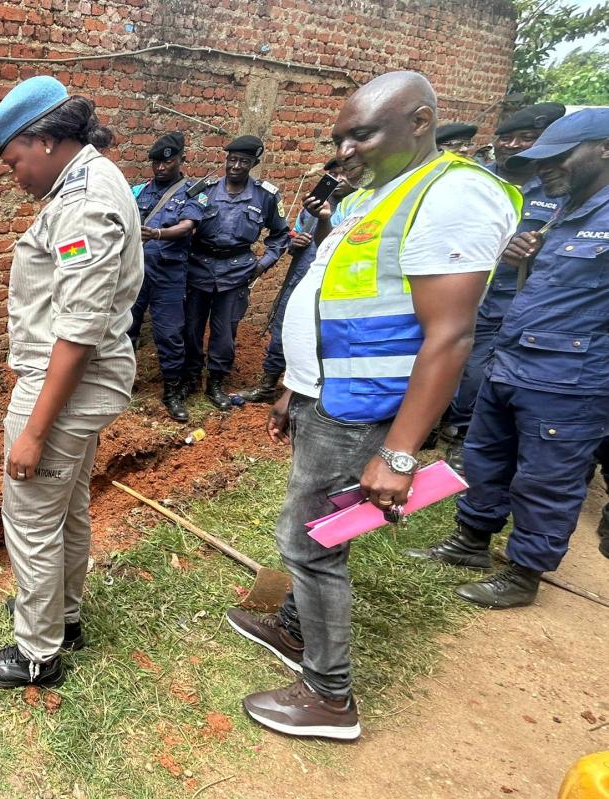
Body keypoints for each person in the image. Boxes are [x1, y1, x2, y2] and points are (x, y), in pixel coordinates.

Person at [223, 72, 518, 740]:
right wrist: (295, 386)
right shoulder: (377, 197)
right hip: (329, 396)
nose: (346, 149)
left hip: (365, 410)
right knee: (316, 530)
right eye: (340, 137)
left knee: (310, 542)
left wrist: (398, 451)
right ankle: (297, 629)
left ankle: (329, 697)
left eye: (362, 133)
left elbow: (450, 335)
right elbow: (336, 297)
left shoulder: (452, 195)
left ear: (420, 121)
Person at [0, 76, 142, 688]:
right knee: (66, 508)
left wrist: (34, 432)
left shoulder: (81, 206)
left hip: (61, 384)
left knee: (32, 518)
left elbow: (78, 329)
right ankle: (63, 618)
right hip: (80, 383)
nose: (13, 174)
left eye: (14, 160)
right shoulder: (96, 180)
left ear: (43, 140)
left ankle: (36, 652)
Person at [411, 109, 609, 608]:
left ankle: (524, 573)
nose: (544, 169)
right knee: (484, 458)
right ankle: (470, 542)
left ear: (604, 149)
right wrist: (525, 255)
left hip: (570, 380)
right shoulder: (567, 209)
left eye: (559, 157)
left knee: (547, 478)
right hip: (512, 360)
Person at [438, 103, 566, 472]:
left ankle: (464, 437)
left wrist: (535, 253)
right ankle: (441, 420)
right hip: (464, 289)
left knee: (484, 371)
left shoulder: (557, 188)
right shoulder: (477, 179)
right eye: (506, 138)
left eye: (525, 139)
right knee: (448, 357)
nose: (513, 145)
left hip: (517, 298)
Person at [184, 135, 291, 410]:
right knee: (192, 326)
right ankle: (191, 377)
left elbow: (280, 236)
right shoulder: (205, 190)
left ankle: (216, 383)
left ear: (253, 163)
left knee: (224, 331)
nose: (235, 166)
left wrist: (261, 265)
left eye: (243, 161)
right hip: (200, 267)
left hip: (236, 272)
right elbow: (183, 223)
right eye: (232, 160)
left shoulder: (265, 196)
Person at [240, 159, 356, 403]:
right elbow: (292, 238)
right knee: (284, 328)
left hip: (333, 285)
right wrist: (296, 243)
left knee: (319, 337)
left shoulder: (357, 209)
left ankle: (310, 392)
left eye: (344, 174)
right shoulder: (312, 207)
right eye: (333, 174)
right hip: (300, 277)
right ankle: (268, 385)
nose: (338, 180)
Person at [129, 131, 206, 422]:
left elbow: (187, 226)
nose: (161, 168)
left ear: (179, 160)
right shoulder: (139, 191)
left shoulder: (192, 191)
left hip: (170, 277)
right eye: (156, 163)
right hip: (136, 273)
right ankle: (121, 384)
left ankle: (172, 392)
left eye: (167, 162)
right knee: (126, 330)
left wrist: (158, 233)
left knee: (170, 335)